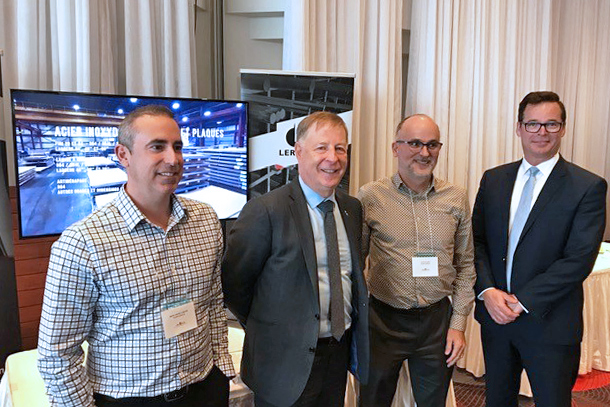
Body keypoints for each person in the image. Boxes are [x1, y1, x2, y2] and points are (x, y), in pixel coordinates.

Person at [37, 105, 235, 407]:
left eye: (177, 146)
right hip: (130, 399)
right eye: (157, 147)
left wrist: (221, 368)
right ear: (123, 155)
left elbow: (213, 303)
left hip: (205, 388)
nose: (173, 159)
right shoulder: (83, 242)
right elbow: (57, 354)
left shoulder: (205, 220)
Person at [222, 111, 369, 407]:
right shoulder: (265, 210)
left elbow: (350, 276)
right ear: (299, 152)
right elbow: (235, 286)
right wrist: (272, 327)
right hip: (282, 360)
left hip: (337, 354)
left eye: (340, 148)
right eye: (321, 147)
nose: (333, 158)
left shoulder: (352, 208)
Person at [473, 91, 607, 407]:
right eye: (532, 124)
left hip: (551, 324)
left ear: (563, 128)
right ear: (519, 128)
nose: (541, 132)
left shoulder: (587, 186)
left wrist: (522, 302)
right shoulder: (494, 179)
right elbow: (476, 243)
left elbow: (578, 259)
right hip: (496, 319)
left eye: (551, 124)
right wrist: (487, 290)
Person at [357, 114, 475, 407]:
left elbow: (466, 265)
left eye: (432, 144)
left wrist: (458, 324)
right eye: (415, 143)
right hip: (383, 321)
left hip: (436, 323)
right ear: (395, 148)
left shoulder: (456, 197)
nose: (424, 152)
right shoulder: (370, 196)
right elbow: (355, 263)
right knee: (373, 401)